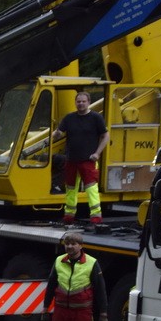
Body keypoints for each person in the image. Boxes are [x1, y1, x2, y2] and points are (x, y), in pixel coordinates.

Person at [52, 91, 110, 225]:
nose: (81, 104)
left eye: (83, 101)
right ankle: (69, 215)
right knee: (70, 189)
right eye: (78, 101)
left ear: (89, 102)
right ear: (75, 103)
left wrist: (97, 153)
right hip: (71, 159)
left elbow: (105, 136)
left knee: (91, 189)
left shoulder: (96, 118)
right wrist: (56, 133)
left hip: (88, 160)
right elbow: (59, 133)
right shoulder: (69, 118)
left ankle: (96, 217)